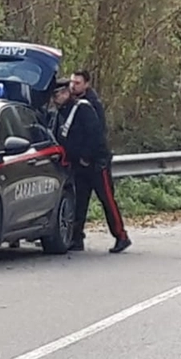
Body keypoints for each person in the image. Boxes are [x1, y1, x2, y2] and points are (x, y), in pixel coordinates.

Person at [57, 69, 130, 253]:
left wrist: (87, 157)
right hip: (79, 165)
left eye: (78, 83)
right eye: (72, 82)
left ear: (87, 84)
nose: (74, 86)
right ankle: (76, 238)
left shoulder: (91, 105)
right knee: (79, 202)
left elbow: (97, 134)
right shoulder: (67, 106)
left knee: (107, 200)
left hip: (97, 163)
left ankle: (121, 236)